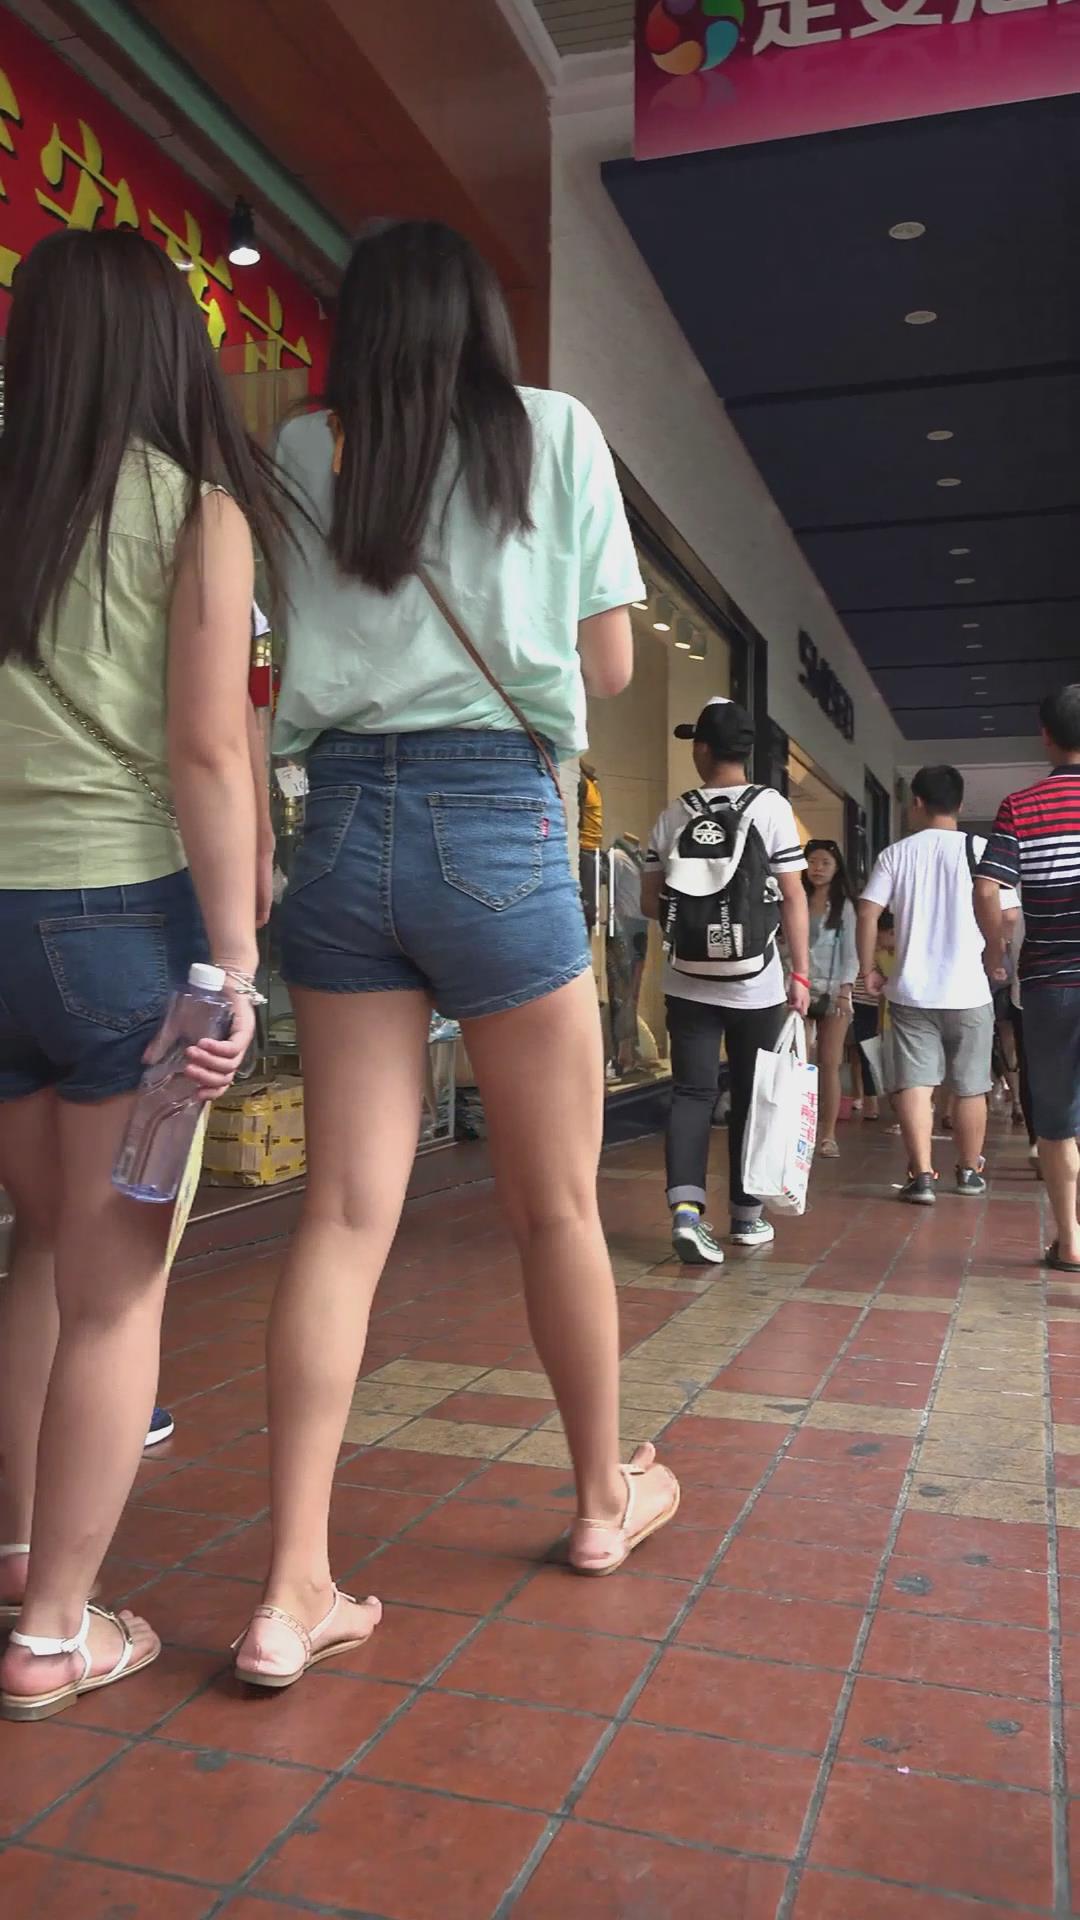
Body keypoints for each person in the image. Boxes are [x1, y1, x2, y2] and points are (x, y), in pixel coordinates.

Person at [232, 219, 681, 1688]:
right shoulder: (555, 430)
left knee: (343, 1215)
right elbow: (609, 664)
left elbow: (284, 647)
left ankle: (292, 1590)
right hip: (496, 818)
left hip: (339, 822)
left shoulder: (306, 452)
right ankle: (604, 1500)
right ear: (484, 321)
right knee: (554, 1206)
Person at [0, 230, 286, 1720]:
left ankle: (18, 1556)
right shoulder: (198, 511)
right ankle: (54, 1636)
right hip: (120, 921)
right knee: (115, 1294)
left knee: (40, 1247)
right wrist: (234, 963)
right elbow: (207, 749)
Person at [642, 698, 810, 1265]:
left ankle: (687, 1213)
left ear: (702, 748)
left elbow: (649, 902)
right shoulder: (771, 808)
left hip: (687, 981)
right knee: (750, 1094)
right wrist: (801, 972)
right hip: (757, 983)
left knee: (691, 1093)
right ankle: (746, 1217)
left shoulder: (674, 814)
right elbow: (793, 896)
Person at [856, 765, 1017, 1206]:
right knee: (970, 1086)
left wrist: (868, 968)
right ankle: (968, 1171)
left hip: (911, 990)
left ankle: (922, 1175)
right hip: (970, 991)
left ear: (917, 802)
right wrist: (993, 953)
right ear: (960, 804)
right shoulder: (981, 849)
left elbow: (868, 911)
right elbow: (1008, 915)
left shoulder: (896, 853)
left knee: (915, 1082)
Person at [975, 686, 1080, 1270]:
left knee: (1058, 1118)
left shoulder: (1022, 806)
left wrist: (996, 950)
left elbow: (986, 887)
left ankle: (1071, 1241)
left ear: (1045, 736)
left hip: (1050, 981)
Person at [801, 840, 857, 1158]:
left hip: (834, 992)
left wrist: (846, 990)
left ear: (836, 869)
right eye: (812, 862)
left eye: (825, 863)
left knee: (830, 1063)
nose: (817, 868)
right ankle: (799, 1129)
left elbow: (851, 953)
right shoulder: (796, 899)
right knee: (798, 1062)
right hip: (797, 989)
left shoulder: (845, 907)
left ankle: (828, 1134)